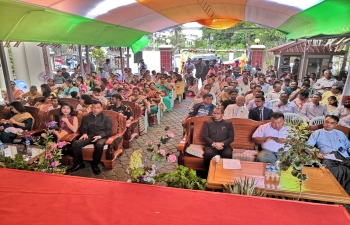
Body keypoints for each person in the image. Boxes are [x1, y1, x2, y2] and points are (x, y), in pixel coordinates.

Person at [307, 115, 350, 194]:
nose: (328, 124)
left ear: (336, 125)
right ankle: (334, 192)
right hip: (328, 156)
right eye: (326, 122)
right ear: (324, 122)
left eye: (331, 123)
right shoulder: (317, 133)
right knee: (327, 166)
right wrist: (316, 152)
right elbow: (308, 146)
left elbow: (348, 146)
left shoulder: (340, 133)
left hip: (344, 156)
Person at [67, 101, 112, 175]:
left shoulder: (106, 117)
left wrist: (99, 136)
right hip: (89, 135)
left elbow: (109, 131)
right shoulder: (87, 117)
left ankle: (95, 164)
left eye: (98, 108)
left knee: (99, 145)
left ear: (101, 108)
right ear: (91, 108)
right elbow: (83, 128)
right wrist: (84, 133)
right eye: (94, 107)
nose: (95, 109)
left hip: (101, 136)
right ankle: (79, 163)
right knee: (75, 144)